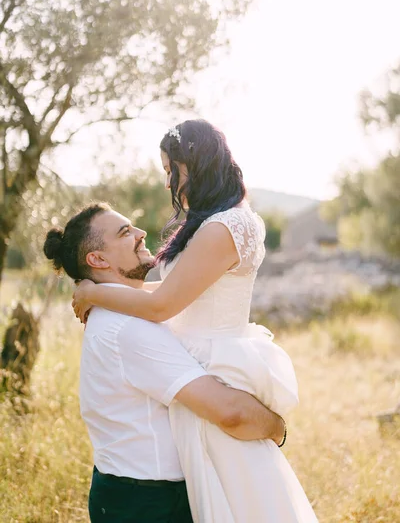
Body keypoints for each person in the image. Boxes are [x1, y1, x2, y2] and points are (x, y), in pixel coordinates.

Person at [72, 120, 319, 522]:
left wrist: (94, 293)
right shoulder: (208, 224)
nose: (169, 180)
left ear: (196, 163)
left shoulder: (228, 225)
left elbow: (162, 305)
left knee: (238, 490)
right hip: (193, 355)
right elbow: (177, 294)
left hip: (214, 360)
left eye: (171, 170)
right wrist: (106, 295)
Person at [43, 202, 285, 523]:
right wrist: (277, 429)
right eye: (125, 232)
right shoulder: (129, 327)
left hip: (131, 493)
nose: (142, 234)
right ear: (98, 259)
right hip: (147, 503)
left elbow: (178, 292)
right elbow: (230, 412)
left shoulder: (124, 310)